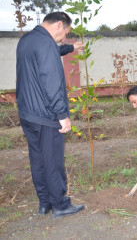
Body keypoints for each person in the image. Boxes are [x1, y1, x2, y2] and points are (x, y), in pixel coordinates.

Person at [16, 12, 84, 219]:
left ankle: (44, 203)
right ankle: (60, 205)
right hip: (46, 115)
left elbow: (51, 52)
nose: (64, 39)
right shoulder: (46, 44)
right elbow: (51, 81)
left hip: (28, 113)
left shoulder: (28, 40)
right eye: (65, 34)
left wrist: (71, 48)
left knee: (38, 159)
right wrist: (62, 114)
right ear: (59, 25)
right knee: (52, 160)